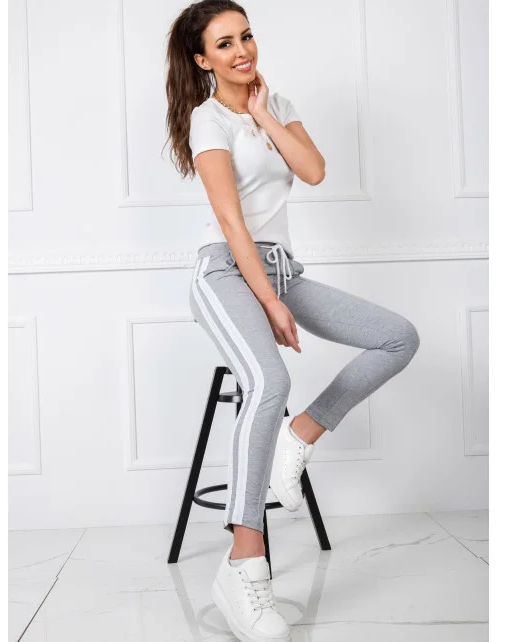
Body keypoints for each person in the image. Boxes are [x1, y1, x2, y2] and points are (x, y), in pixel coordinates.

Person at [165, 2, 420, 640]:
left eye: (246, 36)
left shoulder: (275, 104)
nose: (242, 51)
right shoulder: (205, 119)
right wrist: (269, 302)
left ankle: (297, 436)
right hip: (226, 272)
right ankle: (243, 565)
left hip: (283, 269)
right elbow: (231, 222)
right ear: (203, 60)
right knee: (268, 380)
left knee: (397, 337)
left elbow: (313, 170)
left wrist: (263, 115)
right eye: (225, 44)